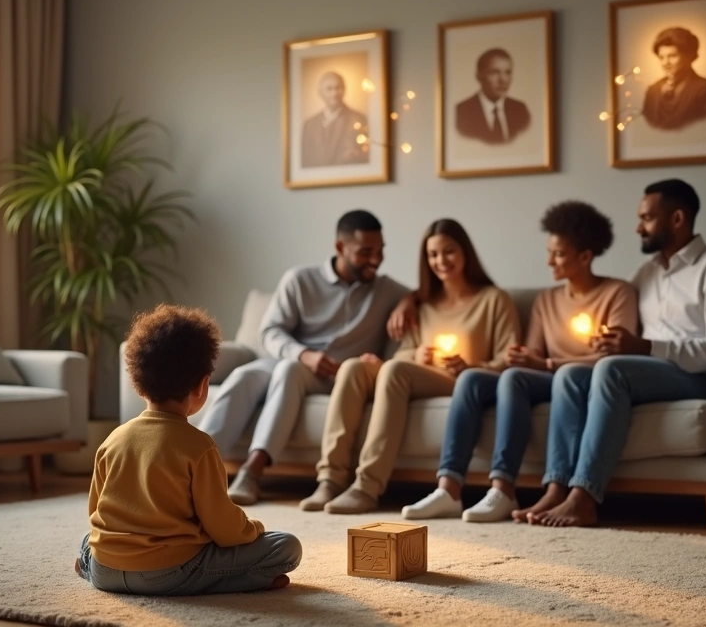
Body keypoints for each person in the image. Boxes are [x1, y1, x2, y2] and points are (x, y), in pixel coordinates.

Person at [516, 179, 706, 527]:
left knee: (612, 370)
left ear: (677, 219)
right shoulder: (645, 273)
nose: (638, 228)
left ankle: (584, 497)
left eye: (647, 218)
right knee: (570, 374)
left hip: (695, 377)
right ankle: (556, 488)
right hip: (645, 373)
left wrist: (645, 347)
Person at [402, 201, 639, 523]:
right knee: (480, 378)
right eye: (549, 252)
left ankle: (516, 489)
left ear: (585, 256)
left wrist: (548, 363)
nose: (549, 261)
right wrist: (524, 359)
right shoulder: (546, 299)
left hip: (585, 380)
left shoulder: (618, 292)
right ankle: (457, 489)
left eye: (558, 254)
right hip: (548, 378)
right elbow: (531, 358)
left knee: (533, 376)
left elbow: (614, 358)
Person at [77, 304, 302, 595]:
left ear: (138, 382)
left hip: (105, 569)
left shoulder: (113, 439)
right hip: (168, 573)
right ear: (201, 386)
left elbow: (95, 511)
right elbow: (223, 528)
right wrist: (253, 528)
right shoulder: (200, 446)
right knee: (286, 546)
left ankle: (86, 565)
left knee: (88, 541)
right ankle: (240, 581)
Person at [301, 218, 521, 514]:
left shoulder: (494, 300)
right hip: (418, 374)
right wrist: (417, 355)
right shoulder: (423, 304)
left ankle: (367, 486)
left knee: (394, 370)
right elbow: (404, 354)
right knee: (354, 368)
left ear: (465, 252)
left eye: (449, 251)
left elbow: (509, 359)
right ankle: (330, 479)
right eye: (433, 254)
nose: (441, 261)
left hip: (464, 382)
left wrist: (471, 365)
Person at [196, 210, 413, 505]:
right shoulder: (300, 280)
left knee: (289, 371)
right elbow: (270, 331)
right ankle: (192, 469)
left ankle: (251, 472)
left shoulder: (386, 290)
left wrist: (407, 302)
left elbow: (427, 293)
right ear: (340, 247)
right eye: (366, 252)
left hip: (336, 376)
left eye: (380, 251)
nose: (376, 259)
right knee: (244, 375)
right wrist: (303, 354)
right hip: (288, 359)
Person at [641, 27, 706, 131]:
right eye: (661, 57)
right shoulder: (653, 90)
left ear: (688, 56)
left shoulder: (703, 88)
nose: (665, 63)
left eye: (672, 56)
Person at [454, 48, 531, 144]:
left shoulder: (520, 110)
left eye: (508, 72)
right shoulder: (461, 111)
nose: (503, 80)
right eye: (494, 72)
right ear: (479, 76)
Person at [302, 71, 370, 167]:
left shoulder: (358, 119)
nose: (334, 93)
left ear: (344, 90)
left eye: (338, 88)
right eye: (329, 89)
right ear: (320, 92)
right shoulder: (309, 124)